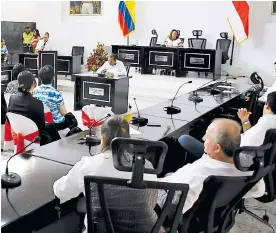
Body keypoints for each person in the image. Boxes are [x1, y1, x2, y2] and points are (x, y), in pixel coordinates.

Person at [53, 115, 158, 233]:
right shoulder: (147, 166)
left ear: (102, 139)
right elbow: (152, 202)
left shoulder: (88, 165)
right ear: (129, 139)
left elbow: (60, 191)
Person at [158, 119, 265, 214]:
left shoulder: (198, 174)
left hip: (171, 200)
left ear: (217, 148)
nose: (203, 138)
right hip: (213, 216)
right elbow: (259, 191)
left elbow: (171, 211)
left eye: (207, 136)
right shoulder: (248, 168)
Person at [7, 70, 61, 145]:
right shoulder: (37, 103)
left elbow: (10, 118)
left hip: (17, 132)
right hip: (34, 138)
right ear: (33, 83)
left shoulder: (12, 99)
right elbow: (41, 125)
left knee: (50, 126)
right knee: (51, 126)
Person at [33, 65, 77, 131]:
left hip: (41, 122)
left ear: (40, 78)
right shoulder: (56, 93)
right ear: (53, 78)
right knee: (72, 119)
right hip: (56, 124)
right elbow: (63, 112)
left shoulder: (35, 91)